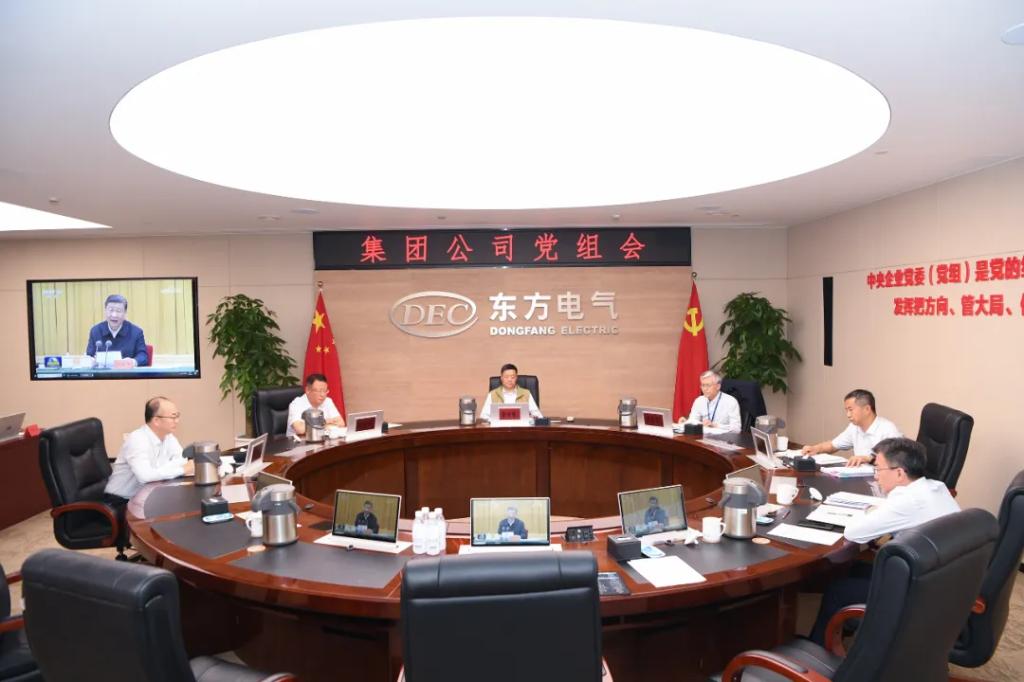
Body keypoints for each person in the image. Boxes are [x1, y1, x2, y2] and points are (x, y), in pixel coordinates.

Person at [807, 437, 960, 643]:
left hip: (920, 594)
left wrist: (870, 511)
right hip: (945, 582)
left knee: (837, 591)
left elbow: (853, 533)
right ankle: (849, 635)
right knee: (854, 569)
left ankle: (817, 650)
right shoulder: (936, 486)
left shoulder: (906, 501)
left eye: (878, 469)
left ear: (899, 473)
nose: (876, 476)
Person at [105, 397, 194, 502]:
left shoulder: (168, 437)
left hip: (147, 496)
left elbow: (182, 461)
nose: (177, 421)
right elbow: (145, 476)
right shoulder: (137, 439)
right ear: (156, 420)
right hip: (120, 500)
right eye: (173, 417)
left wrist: (157, 472)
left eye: (177, 416)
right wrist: (182, 470)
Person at [801, 389, 902, 465]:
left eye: (851, 410)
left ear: (867, 409)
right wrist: (815, 448)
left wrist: (867, 459)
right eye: (846, 410)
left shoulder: (888, 429)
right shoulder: (854, 427)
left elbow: (896, 461)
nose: (848, 415)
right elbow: (833, 445)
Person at [85, 294, 148, 367]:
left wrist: (133, 362)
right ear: (105, 311)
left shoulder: (136, 332)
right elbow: (89, 355)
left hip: (126, 373)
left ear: (125, 313)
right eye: (111, 310)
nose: (114, 315)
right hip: (102, 373)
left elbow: (143, 356)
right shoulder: (95, 331)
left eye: (118, 311)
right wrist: (91, 361)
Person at [287, 373, 345, 438]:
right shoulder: (296, 404)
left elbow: (341, 423)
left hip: (322, 440)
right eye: (319, 391)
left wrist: (315, 425)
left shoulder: (327, 401)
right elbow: (300, 429)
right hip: (298, 442)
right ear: (307, 390)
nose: (322, 395)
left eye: (325, 391)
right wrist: (325, 421)